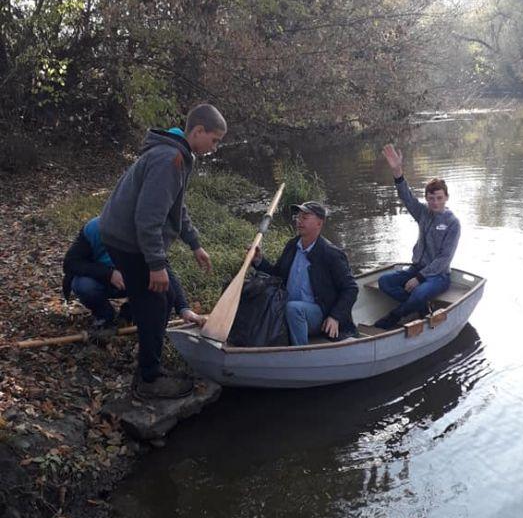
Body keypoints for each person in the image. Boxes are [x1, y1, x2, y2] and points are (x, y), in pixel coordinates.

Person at [99, 103, 227, 399]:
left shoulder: (176, 154)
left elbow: (175, 209)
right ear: (197, 131)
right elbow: (148, 218)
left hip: (127, 237)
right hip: (127, 241)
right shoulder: (170, 159)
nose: (215, 147)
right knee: (154, 304)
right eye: (215, 139)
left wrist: (195, 244)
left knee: (166, 297)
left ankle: (149, 368)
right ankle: (149, 379)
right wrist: (156, 265)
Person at [62, 216, 204, 332]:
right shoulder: (94, 229)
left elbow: (164, 271)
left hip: (133, 282)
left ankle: (130, 310)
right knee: (83, 285)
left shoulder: (144, 235)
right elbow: (70, 263)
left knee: (154, 282)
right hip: (100, 281)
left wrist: (184, 309)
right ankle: (104, 315)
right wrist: (108, 274)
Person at [375, 144, 461, 330]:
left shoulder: (453, 223)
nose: (435, 202)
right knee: (384, 282)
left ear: (446, 197)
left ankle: (394, 317)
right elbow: (407, 198)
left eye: (439, 198)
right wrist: (398, 173)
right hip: (416, 268)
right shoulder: (423, 213)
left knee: (420, 292)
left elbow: (444, 259)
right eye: (431, 198)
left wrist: (420, 278)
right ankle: (422, 308)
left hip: (438, 276)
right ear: (427, 198)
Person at [251, 201, 358, 346]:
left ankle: (301, 351)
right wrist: (258, 261)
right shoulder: (292, 246)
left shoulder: (331, 254)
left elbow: (351, 288)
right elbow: (277, 275)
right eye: (298, 217)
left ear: (319, 223)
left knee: (294, 309)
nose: (299, 221)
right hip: (288, 308)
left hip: (319, 314)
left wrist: (335, 317)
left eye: (305, 217)